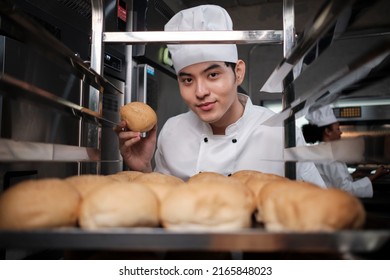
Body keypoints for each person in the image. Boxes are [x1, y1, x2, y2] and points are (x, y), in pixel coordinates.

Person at [116, 4, 325, 187]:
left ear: (238, 73)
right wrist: (143, 168)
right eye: (187, 80)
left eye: (213, 75)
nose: (200, 92)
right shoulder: (172, 131)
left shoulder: (280, 131)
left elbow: (317, 208)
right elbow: (161, 205)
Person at [302, 105, 390, 197]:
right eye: (338, 129)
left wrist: (353, 175)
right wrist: (375, 176)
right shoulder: (332, 155)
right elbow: (346, 190)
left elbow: (331, 181)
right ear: (328, 131)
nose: (341, 132)